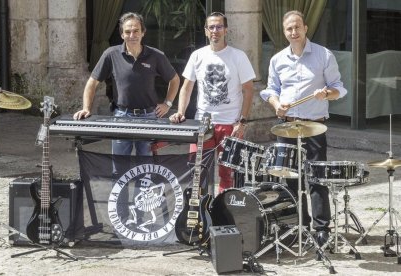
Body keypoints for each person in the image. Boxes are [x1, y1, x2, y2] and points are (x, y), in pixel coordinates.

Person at [259, 10, 347, 247]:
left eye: (297, 27)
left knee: (317, 179)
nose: (294, 32)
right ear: (284, 32)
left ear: (306, 28)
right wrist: (277, 105)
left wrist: (327, 92)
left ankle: (321, 228)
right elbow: (271, 91)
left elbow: (339, 88)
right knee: (289, 181)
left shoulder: (323, 55)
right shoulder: (277, 59)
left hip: (315, 126)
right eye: (289, 29)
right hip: (288, 127)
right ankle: (298, 225)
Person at [169, 12, 256, 193]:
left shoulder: (238, 56)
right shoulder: (197, 56)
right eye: (211, 27)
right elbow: (187, 87)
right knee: (197, 171)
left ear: (226, 30)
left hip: (230, 123)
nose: (215, 30)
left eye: (219, 27)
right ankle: (200, 211)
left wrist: (243, 121)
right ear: (206, 31)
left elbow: (248, 90)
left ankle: (221, 212)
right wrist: (181, 112)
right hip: (203, 123)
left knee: (228, 173)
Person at [73, 12, 180, 157]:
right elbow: (92, 83)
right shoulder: (111, 54)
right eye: (127, 32)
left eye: (136, 31)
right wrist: (86, 108)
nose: (132, 35)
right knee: (119, 167)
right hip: (121, 116)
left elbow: (174, 79)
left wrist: (167, 103)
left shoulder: (156, 56)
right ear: (122, 35)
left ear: (143, 32)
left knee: (146, 167)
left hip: (149, 117)